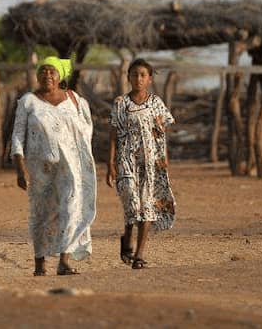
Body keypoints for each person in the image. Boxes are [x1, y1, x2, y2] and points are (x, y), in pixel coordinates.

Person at [11, 56, 97, 276]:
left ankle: (64, 261)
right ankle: (40, 263)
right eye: (43, 71)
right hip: (40, 169)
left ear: (60, 76)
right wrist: (20, 168)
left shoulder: (75, 100)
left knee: (71, 208)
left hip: (71, 168)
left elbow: (87, 130)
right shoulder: (28, 101)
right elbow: (18, 136)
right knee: (42, 213)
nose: (47, 75)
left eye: (52, 71)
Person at [106, 58, 176, 269]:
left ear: (150, 79)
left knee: (147, 206)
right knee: (131, 202)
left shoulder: (156, 103)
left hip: (151, 162)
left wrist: (164, 160)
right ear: (128, 77)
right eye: (134, 74)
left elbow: (163, 132)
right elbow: (113, 133)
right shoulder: (121, 103)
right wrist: (110, 163)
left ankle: (139, 255)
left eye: (143, 75)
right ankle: (127, 237)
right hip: (126, 159)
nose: (138, 79)